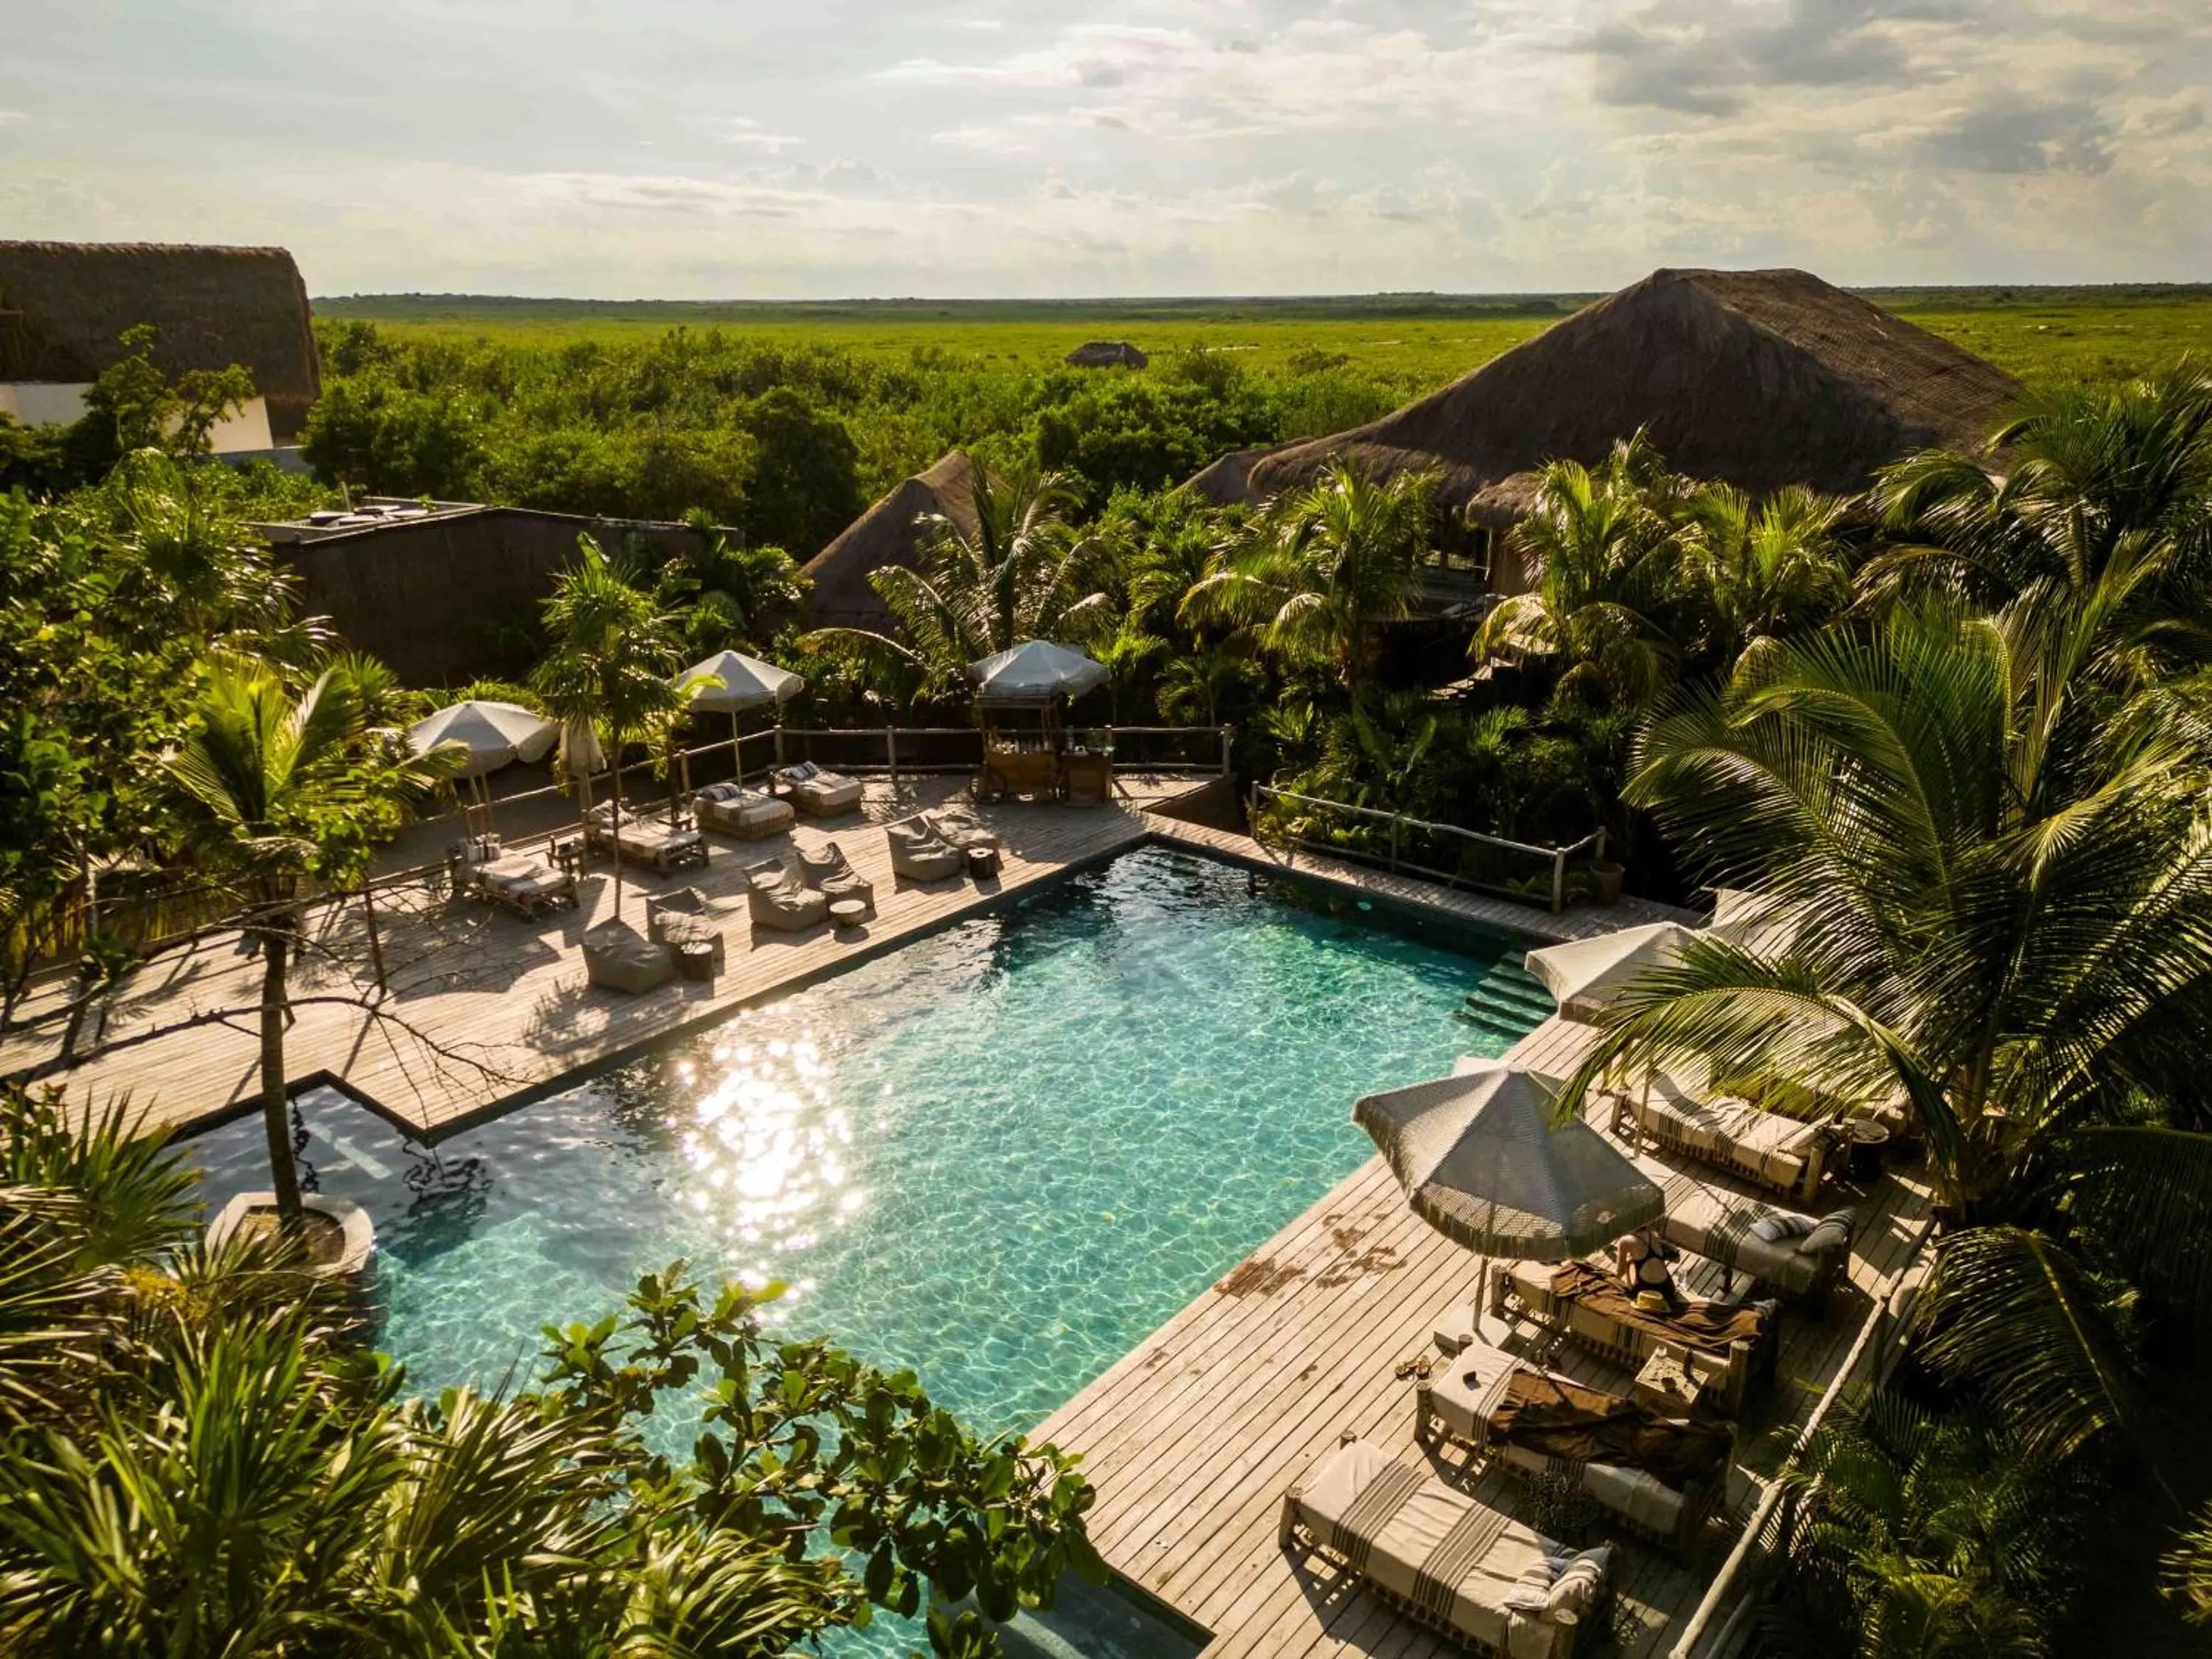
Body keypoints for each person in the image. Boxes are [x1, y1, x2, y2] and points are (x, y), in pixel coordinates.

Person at [1613, 1229, 1682, 1314]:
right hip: (1667, 1290)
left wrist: (1626, 1261)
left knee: (1629, 1264)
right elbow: (1676, 1257)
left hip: (1646, 1292)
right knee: (1637, 1262)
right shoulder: (1653, 1234)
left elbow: (1619, 1274)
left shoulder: (1625, 1241)